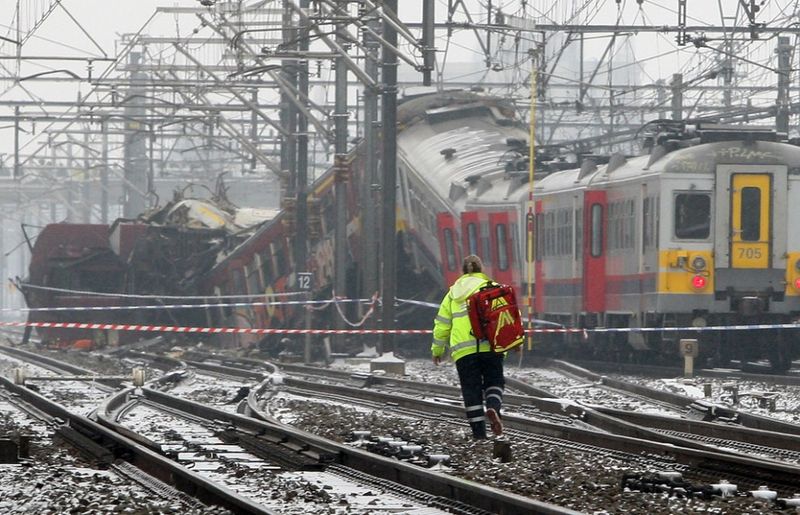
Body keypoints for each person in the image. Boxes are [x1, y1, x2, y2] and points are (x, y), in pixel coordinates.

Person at [431, 254, 504, 440]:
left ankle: (479, 435)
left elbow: (442, 325)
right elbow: (509, 317)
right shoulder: (494, 289)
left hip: (464, 352)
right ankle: (493, 408)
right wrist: (515, 342)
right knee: (494, 381)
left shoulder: (452, 294)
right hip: (491, 347)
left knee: (471, 391)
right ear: (482, 270)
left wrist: (437, 350)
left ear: (463, 271)